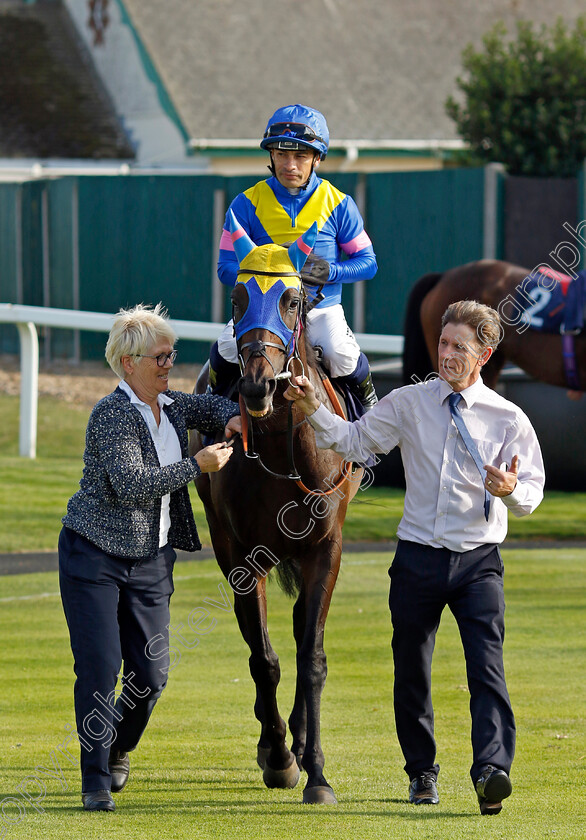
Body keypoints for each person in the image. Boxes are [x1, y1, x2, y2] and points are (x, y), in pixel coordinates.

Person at [284, 300, 545, 816]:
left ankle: (492, 771)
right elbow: (354, 440)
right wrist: (312, 405)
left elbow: (532, 493)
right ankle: (421, 773)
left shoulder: (509, 417)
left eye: (459, 348)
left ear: (484, 355)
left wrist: (512, 487)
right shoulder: (409, 403)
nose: (446, 354)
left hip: (478, 563)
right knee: (411, 672)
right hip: (417, 559)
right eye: (443, 344)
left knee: (487, 670)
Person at [58, 303, 240, 812]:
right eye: (160, 356)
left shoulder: (174, 406)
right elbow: (133, 485)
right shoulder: (111, 413)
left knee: (152, 674)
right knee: (100, 668)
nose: (169, 364)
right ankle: (95, 780)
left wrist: (238, 415)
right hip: (92, 557)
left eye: (172, 354)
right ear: (129, 363)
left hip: (151, 561)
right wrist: (196, 464)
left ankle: (117, 748)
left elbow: (214, 408)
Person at [212, 103, 378, 412]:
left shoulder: (340, 204)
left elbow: (368, 263)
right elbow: (225, 268)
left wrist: (331, 272)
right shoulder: (245, 203)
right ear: (271, 157)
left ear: (317, 158)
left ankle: (371, 421)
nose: (291, 164)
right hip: (262, 312)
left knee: (342, 354)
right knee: (223, 349)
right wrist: (262, 274)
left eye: (300, 156)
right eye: (282, 155)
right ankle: (211, 415)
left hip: (322, 310)